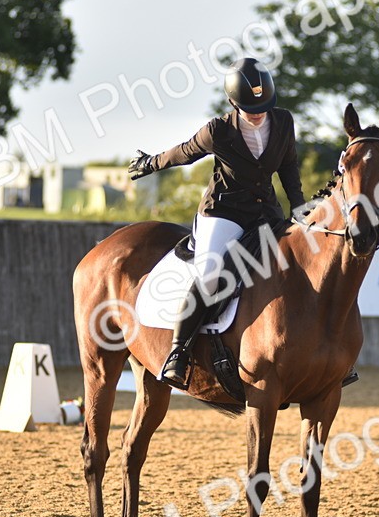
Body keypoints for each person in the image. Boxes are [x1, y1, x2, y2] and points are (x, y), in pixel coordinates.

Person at [128, 58, 306, 389]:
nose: (258, 114)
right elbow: (184, 152)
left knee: (300, 263)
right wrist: (150, 163)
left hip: (265, 213)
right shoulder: (218, 130)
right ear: (233, 103)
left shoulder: (283, 122)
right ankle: (178, 354)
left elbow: (289, 166)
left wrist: (298, 206)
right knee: (210, 274)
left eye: (263, 106)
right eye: (250, 108)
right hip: (223, 213)